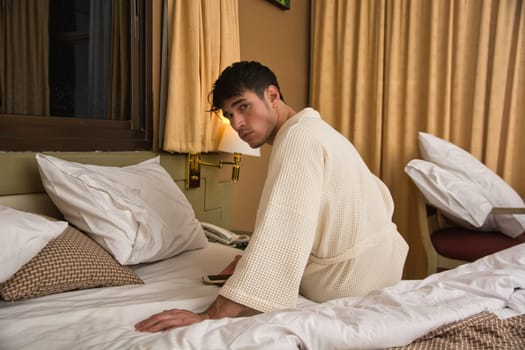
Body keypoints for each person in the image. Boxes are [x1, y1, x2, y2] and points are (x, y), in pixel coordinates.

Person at [135, 61, 409, 332]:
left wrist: (210, 316)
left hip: (348, 285)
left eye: (243, 106)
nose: (237, 124)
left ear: (272, 96)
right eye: (229, 115)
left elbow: (283, 232)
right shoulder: (316, 130)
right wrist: (248, 262)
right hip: (383, 274)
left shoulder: (298, 138)